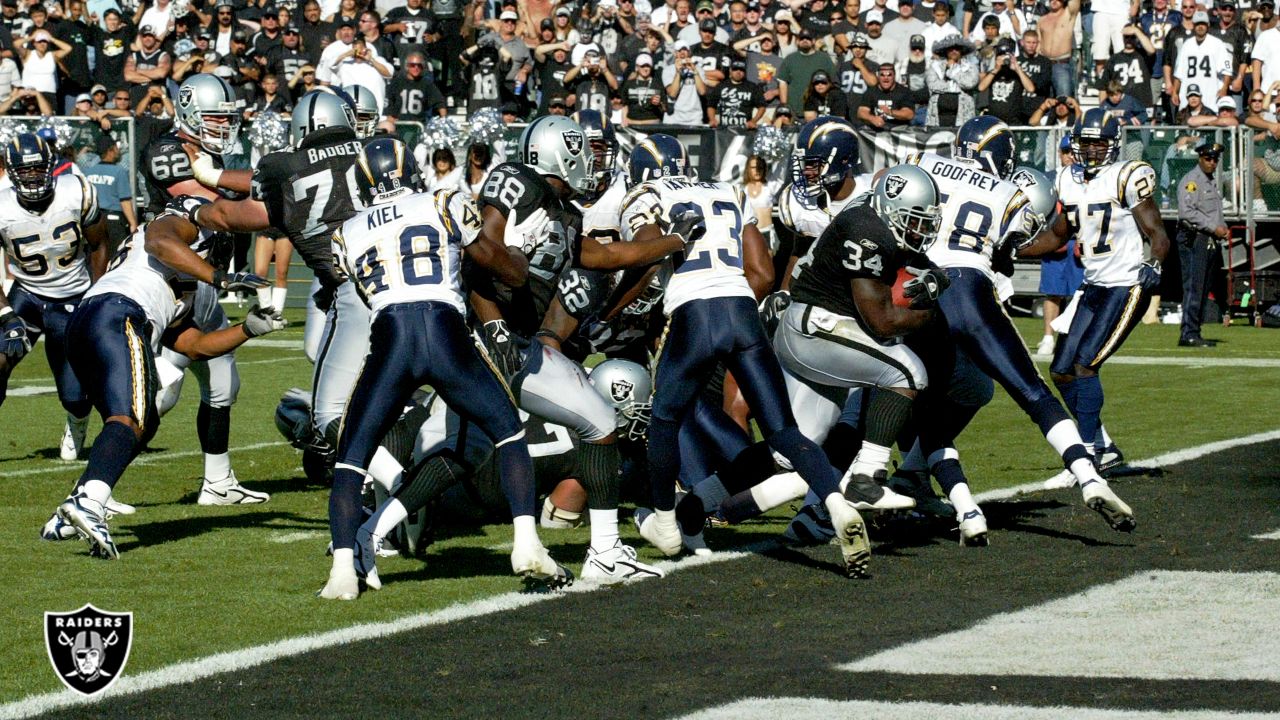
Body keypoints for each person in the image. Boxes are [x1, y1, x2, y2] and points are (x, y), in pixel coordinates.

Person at [321, 138, 569, 598]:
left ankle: (341, 572)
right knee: (508, 432)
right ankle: (527, 545)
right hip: (444, 329)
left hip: (391, 339)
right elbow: (502, 268)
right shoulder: (443, 200)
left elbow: (361, 290)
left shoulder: (345, 233)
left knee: (351, 459)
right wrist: (521, 255)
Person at [621, 134, 873, 579]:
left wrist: (610, 311)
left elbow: (643, 256)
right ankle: (836, 504)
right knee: (785, 433)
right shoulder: (724, 190)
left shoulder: (647, 196)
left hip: (695, 313)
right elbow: (761, 272)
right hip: (742, 312)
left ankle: (665, 520)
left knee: (664, 418)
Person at [50, 196, 284, 559]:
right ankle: (89, 503)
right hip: (119, 314)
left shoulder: (173, 285)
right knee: (134, 417)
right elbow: (159, 241)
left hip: (93, 320)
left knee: (142, 419)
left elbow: (194, 346)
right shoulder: (170, 230)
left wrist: (248, 329)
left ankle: (71, 511)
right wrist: (221, 277)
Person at [180, 90, 367, 489]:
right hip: (406, 286)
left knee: (316, 411)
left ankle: (381, 475)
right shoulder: (381, 155)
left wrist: (197, 200)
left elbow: (239, 213)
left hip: (352, 293)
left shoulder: (284, 165)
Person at [1027, 108, 1170, 474]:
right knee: (1061, 370)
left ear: (1113, 144)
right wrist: (1012, 248)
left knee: (1086, 364)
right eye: (1086, 142)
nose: (1091, 150)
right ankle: (1103, 445)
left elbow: (1158, 234)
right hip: (1093, 287)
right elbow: (1058, 235)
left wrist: (1152, 264)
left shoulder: (1125, 177)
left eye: (1098, 143)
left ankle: (1086, 455)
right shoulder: (1068, 179)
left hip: (1126, 286)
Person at [0, 134, 108, 467]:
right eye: (25, 170)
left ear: (51, 167)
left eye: (37, 169)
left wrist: (98, 294)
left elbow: (100, 244)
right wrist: (5, 312)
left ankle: (76, 423)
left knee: (75, 397)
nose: (32, 177)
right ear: (12, 172)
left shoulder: (76, 191)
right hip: (28, 295)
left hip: (72, 296)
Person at [1174, 141, 1228, 347]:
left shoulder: (1210, 181)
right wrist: (1214, 227)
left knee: (1203, 287)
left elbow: (1213, 212)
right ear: (1200, 158)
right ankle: (1188, 332)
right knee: (1194, 286)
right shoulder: (1192, 181)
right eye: (1208, 158)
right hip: (1195, 237)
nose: (1212, 163)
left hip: (1208, 239)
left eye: (1215, 159)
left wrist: (1220, 229)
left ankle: (1194, 330)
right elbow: (1187, 212)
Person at [1035, 136, 1085, 356]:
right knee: (1052, 292)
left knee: (1078, 294)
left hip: (1077, 239)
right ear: (1060, 153)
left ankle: (1074, 338)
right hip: (1054, 239)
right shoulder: (1049, 179)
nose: (1070, 156)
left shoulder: (1087, 178)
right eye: (1066, 151)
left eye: (1073, 151)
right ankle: (1048, 337)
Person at [82, 135, 137, 253]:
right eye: (116, 148)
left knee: (95, 256)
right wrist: (133, 223)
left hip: (94, 220)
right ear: (110, 150)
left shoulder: (88, 172)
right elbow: (125, 200)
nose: (118, 151)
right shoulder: (118, 171)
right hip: (114, 222)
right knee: (116, 256)